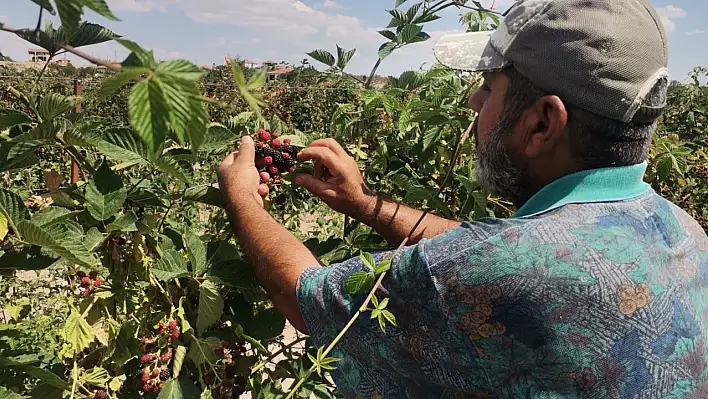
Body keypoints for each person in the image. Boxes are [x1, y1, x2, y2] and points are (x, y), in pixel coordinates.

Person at [217, 0, 708, 397]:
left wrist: (242, 199)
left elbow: (305, 298)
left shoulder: (486, 272)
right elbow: (496, 250)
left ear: (542, 123)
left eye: (489, 87)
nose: (474, 102)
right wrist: (364, 203)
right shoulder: (686, 232)